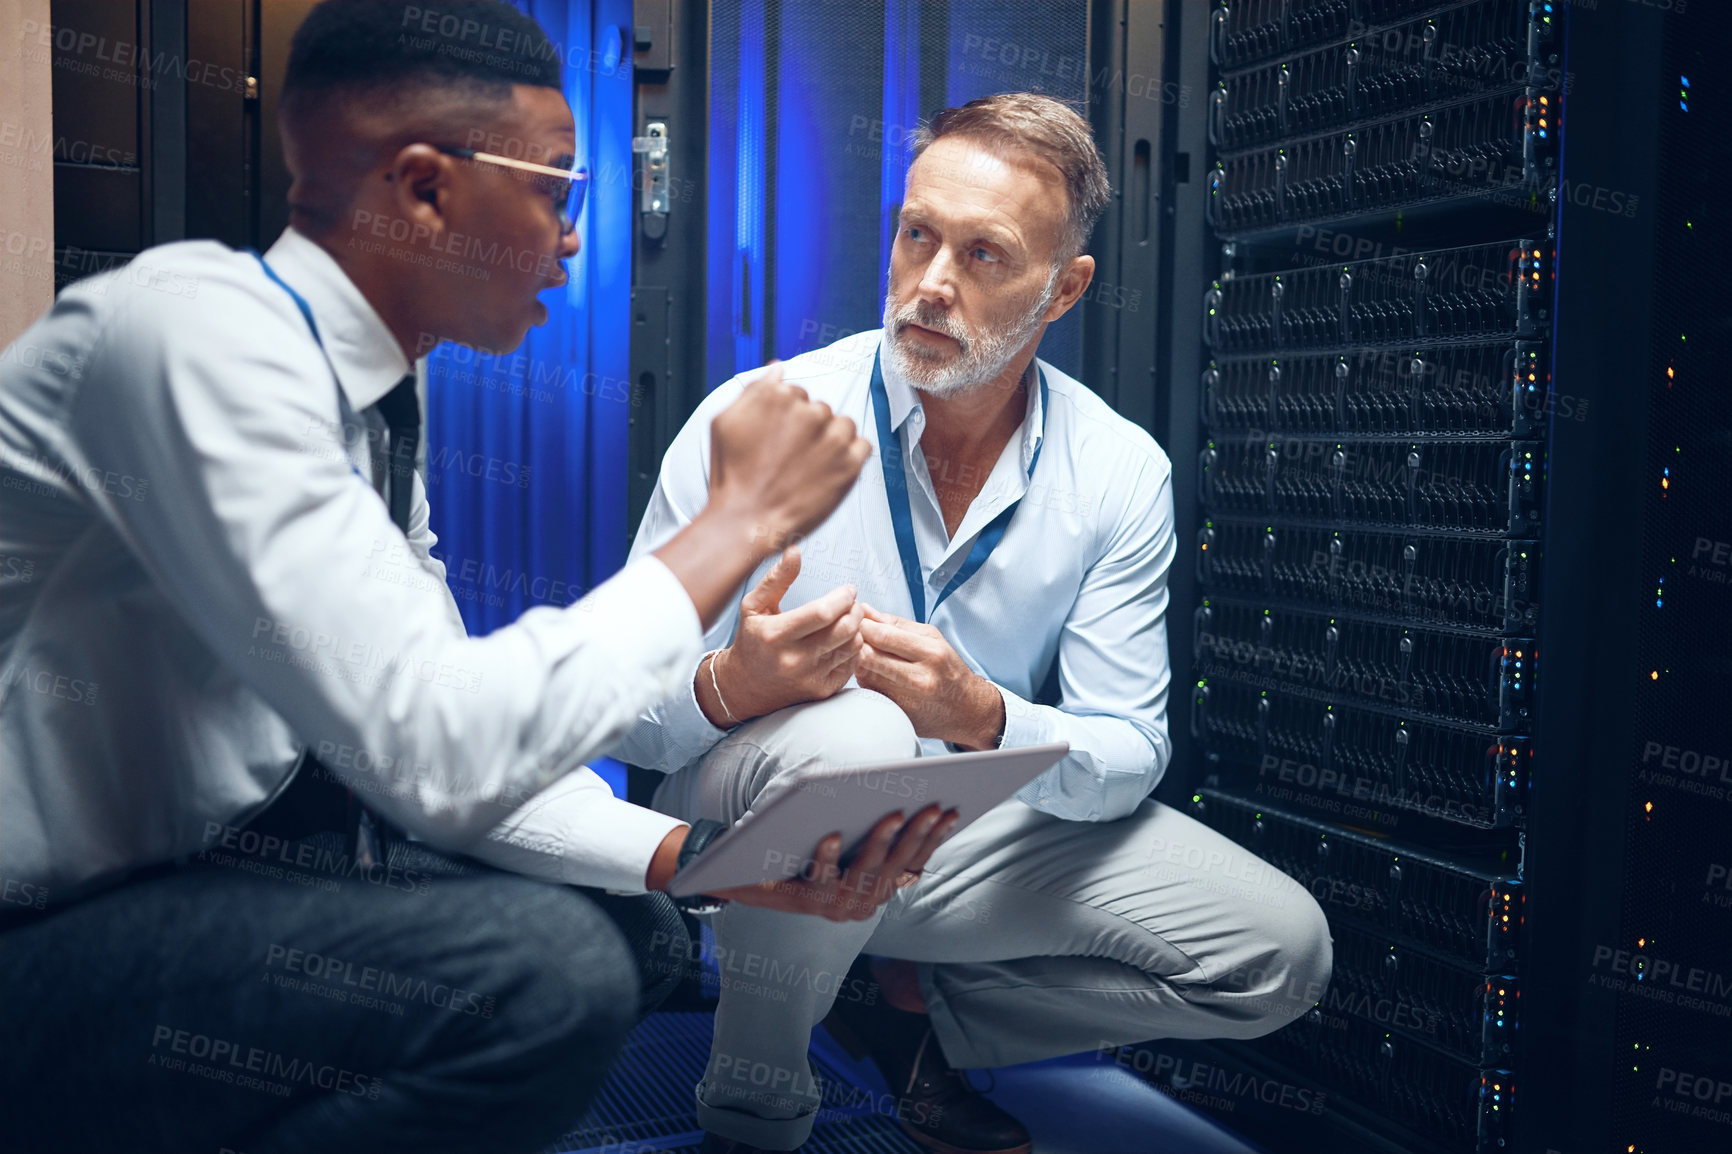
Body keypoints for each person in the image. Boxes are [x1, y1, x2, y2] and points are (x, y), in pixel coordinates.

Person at [0, 3, 955, 1152]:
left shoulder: (368, 402)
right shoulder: (187, 340)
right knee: (542, 973)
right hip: (46, 923)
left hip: (217, 867)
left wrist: (703, 863)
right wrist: (731, 524)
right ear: (421, 187)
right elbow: (440, 750)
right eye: (559, 186)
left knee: (643, 930)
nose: (572, 236)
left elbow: (449, 734)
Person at [614, 92, 1335, 1154]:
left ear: (1064, 289)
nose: (933, 284)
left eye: (986, 255)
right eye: (917, 236)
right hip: (747, 823)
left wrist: (985, 714)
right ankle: (754, 1100)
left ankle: (907, 1011)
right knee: (856, 737)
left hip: (959, 839)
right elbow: (620, 714)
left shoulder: (1118, 471)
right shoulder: (757, 418)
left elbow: (1130, 748)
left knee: (1281, 951)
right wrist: (734, 686)